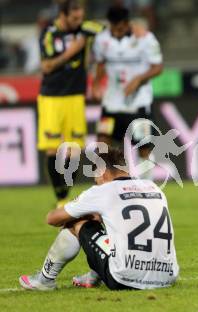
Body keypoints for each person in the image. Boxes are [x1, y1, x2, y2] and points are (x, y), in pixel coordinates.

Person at [19, 147, 179, 290]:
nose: (97, 184)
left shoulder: (102, 191)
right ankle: (94, 277)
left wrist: (84, 212)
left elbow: (52, 218)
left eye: (97, 180)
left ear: (103, 173)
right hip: (167, 276)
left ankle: (45, 280)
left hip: (125, 278)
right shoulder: (153, 187)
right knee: (111, 223)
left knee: (77, 221)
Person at [37, 0, 104, 207]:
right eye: (74, 18)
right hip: (52, 97)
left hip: (76, 96)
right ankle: (61, 199)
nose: (78, 21)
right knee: (52, 149)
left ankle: (65, 195)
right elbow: (47, 67)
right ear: (63, 16)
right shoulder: (49, 33)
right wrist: (73, 50)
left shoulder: (86, 28)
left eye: (81, 17)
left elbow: (111, 30)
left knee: (74, 149)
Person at [92, 6, 163, 180]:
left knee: (144, 147)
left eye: (121, 29)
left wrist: (139, 79)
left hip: (138, 103)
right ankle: (103, 186)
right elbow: (101, 64)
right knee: (102, 143)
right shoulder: (102, 40)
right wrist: (95, 83)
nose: (117, 32)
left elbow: (158, 67)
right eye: (113, 29)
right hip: (111, 103)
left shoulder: (145, 39)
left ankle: (147, 188)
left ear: (127, 23)